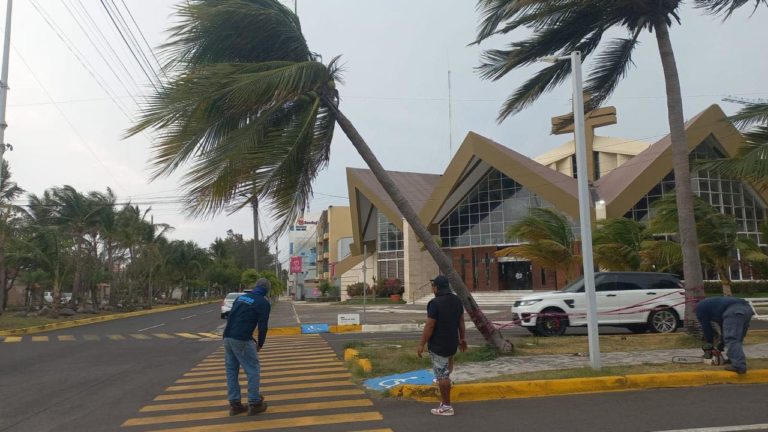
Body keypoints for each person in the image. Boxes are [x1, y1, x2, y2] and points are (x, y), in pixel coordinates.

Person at [417, 275, 467, 416]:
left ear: (437, 288)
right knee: (447, 368)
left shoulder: (435, 303)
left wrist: (421, 344)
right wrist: (462, 338)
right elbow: (461, 321)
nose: (432, 288)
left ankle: (446, 406)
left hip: (439, 344)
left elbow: (430, 325)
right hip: (452, 342)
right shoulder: (457, 300)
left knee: (442, 376)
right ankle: (445, 387)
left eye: (433, 286)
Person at [223, 278, 272, 416]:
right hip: (242, 339)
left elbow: (231, 317)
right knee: (253, 370)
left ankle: (235, 405)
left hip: (227, 337)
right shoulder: (263, 303)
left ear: (255, 287)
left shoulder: (241, 298)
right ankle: (254, 403)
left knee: (231, 371)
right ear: (267, 290)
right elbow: (263, 326)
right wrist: (260, 343)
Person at [695, 296, 754, 374]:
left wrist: (709, 344)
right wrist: (721, 344)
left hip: (734, 311)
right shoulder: (714, 306)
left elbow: (706, 328)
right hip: (747, 309)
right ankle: (733, 359)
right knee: (737, 338)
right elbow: (724, 329)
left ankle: (739, 365)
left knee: (732, 339)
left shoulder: (699, 309)